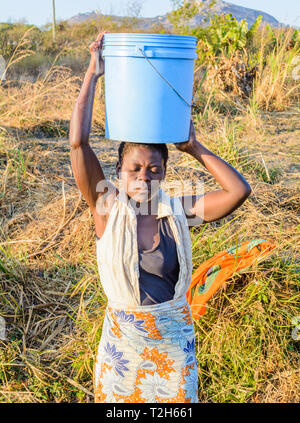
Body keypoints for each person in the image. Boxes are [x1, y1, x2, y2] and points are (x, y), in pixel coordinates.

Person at [69, 31, 251, 403]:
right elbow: (78, 143)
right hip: (123, 346)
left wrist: (194, 146)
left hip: (172, 346)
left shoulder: (177, 211)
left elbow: (238, 192)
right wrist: (93, 73)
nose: (143, 177)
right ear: (118, 170)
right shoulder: (106, 209)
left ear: (165, 172)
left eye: (154, 169)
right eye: (135, 168)